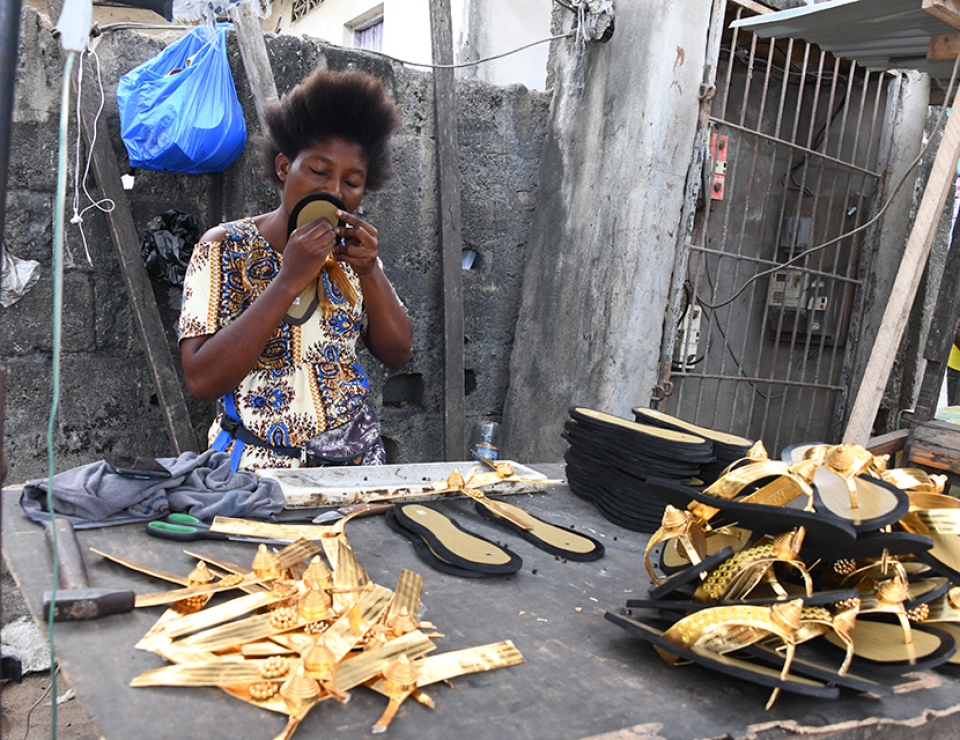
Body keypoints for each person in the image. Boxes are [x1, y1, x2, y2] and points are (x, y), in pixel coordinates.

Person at [178, 68, 412, 471]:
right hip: (260, 471)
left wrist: (371, 271)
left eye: (353, 181)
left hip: (356, 466)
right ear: (285, 167)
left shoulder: (355, 255)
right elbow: (202, 380)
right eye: (319, 172)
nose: (335, 191)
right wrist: (287, 280)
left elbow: (397, 354)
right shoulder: (225, 247)